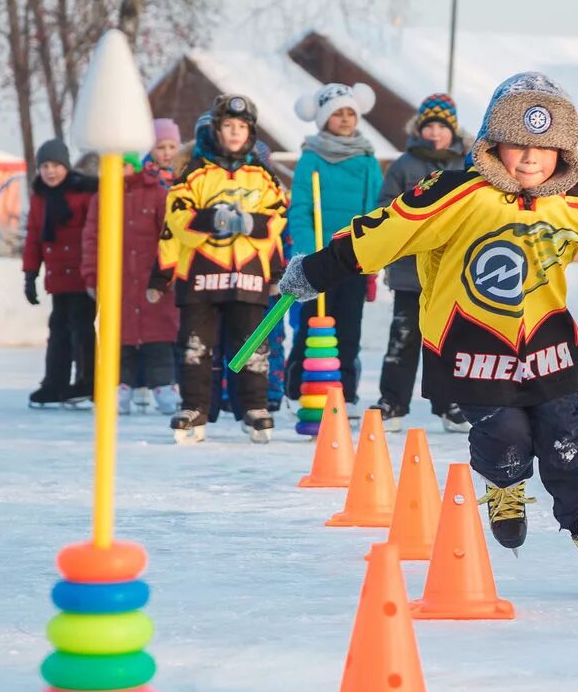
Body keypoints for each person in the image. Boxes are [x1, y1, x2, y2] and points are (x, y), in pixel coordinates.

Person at [278, 72, 578, 598]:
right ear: (493, 142)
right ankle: (505, 483)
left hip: (546, 348)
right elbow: (384, 230)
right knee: (507, 435)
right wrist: (317, 270)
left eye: (547, 147)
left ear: (565, 151)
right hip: (471, 349)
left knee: (567, 438)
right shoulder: (456, 195)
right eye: (519, 145)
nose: (532, 159)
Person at [148, 94, 288, 444]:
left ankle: (255, 407)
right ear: (216, 130)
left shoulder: (262, 176)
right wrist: (214, 219)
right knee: (196, 346)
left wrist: (252, 227)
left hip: (248, 275)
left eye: (242, 127)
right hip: (201, 276)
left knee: (252, 345)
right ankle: (194, 407)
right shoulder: (193, 174)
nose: (235, 132)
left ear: (251, 132)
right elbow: (176, 221)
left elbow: (277, 218)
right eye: (228, 126)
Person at [370, 93, 470, 432]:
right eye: (430, 126)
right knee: (404, 336)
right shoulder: (403, 166)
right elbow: (385, 210)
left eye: (443, 126)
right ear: (419, 129)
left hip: (450, 273)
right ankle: (393, 403)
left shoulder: (466, 165)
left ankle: (450, 403)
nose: (436, 133)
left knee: (448, 339)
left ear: (453, 131)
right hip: (410, 272)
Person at [285, 83, 383, 415]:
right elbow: (299, 209)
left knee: (348, 327)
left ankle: (346, 392)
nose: (344, 119)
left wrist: (373, 250)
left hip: (354, 255)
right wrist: (307, 252)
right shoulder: (312, 156)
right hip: (319, 258)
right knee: (312, 323)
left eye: (349, 113)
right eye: (337, 114)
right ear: (324, 119)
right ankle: (299, 386)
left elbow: (375, 208)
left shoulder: (368, 158)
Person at [82, 141, 178, 416]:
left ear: (133, 166)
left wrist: (168, 274)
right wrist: (92, 276)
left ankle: (163, 386)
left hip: (152, 282)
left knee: (157, 338)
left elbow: (170, 237)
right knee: (119, 338)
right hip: (119, 282)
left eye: (121, 166)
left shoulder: (158, 195)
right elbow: (91, 239)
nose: (115, 172)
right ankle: (119, 386)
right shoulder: (102, 198)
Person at [23, 138, 99, 408]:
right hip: (58, 278)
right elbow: (34, 237)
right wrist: (30, 274)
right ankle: (54, 383)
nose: (50, 171)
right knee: (58, 331)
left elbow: (93, 234)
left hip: (83, 276)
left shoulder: (85, 193)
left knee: (81, 329)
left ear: (66, 166)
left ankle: (88, 382)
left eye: (56, 165)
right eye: (45, 166)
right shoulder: (40, 197)